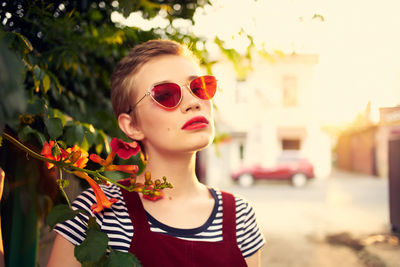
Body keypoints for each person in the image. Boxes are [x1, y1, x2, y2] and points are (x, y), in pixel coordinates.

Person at [47, 39, 265, 266]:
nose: (194, 102)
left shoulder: (240, 216)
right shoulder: (93, 213)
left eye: (198, 87)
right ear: (132, 126)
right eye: (164, 95)